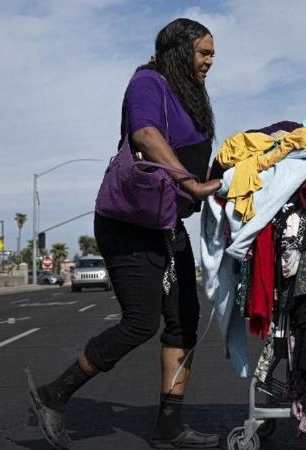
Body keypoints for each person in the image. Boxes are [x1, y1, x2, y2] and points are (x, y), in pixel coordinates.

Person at [26, 18, 222, 449]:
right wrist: (189, 183)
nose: (210, 60)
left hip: (167, 225)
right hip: (128, 223)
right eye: (203, 52)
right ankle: (53, 395)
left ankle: (169, 427)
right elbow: (146, 135)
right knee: (140, 323)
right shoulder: (148, 83)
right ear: (178, 49)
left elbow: (196, 162)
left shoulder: (191, 97)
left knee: (184, 323)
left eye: (212, 54)